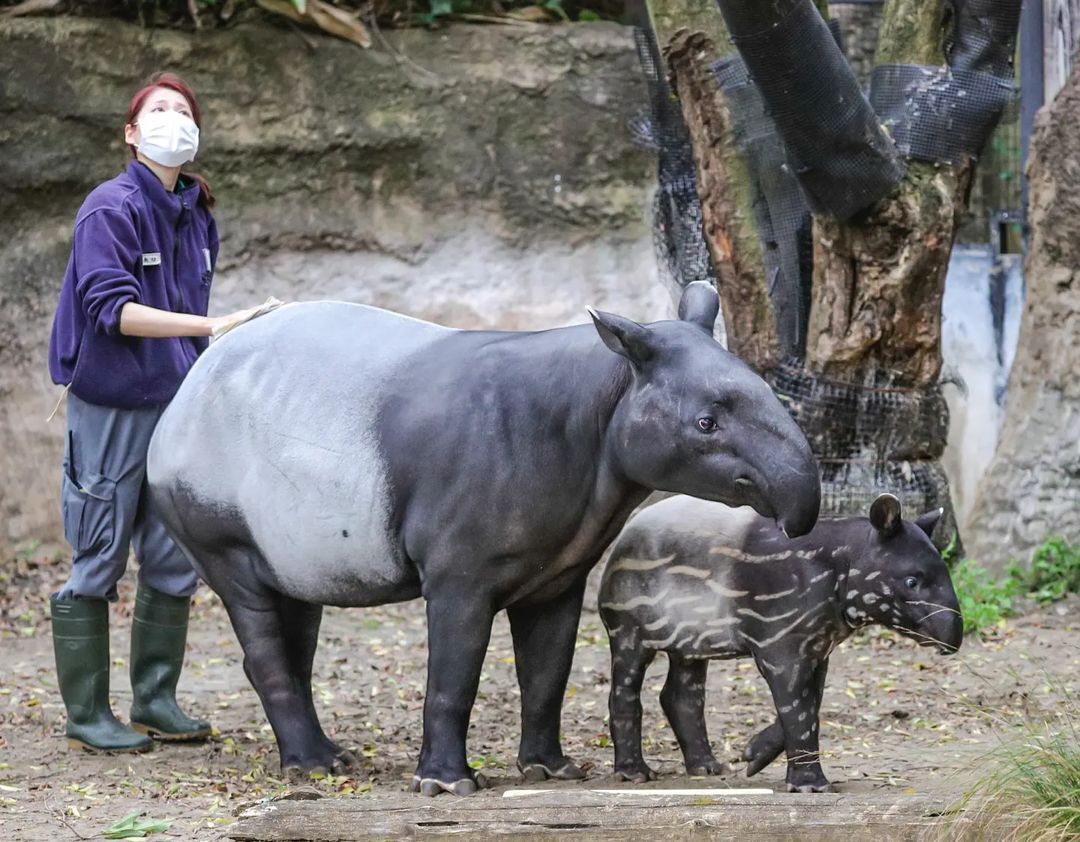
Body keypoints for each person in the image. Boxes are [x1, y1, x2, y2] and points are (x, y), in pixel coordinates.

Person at [47, 72, 255, 753]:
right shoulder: (109, 209)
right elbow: (112, 311)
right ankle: (87, 715)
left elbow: (189, 311)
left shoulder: (196, 211)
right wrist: (215, 323)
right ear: (131, 134)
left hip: (179, 407)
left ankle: (155, 700)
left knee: (172, 558)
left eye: (184, 111)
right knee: (99, 555)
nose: (174, 119)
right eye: (158, 110)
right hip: (111, 408)